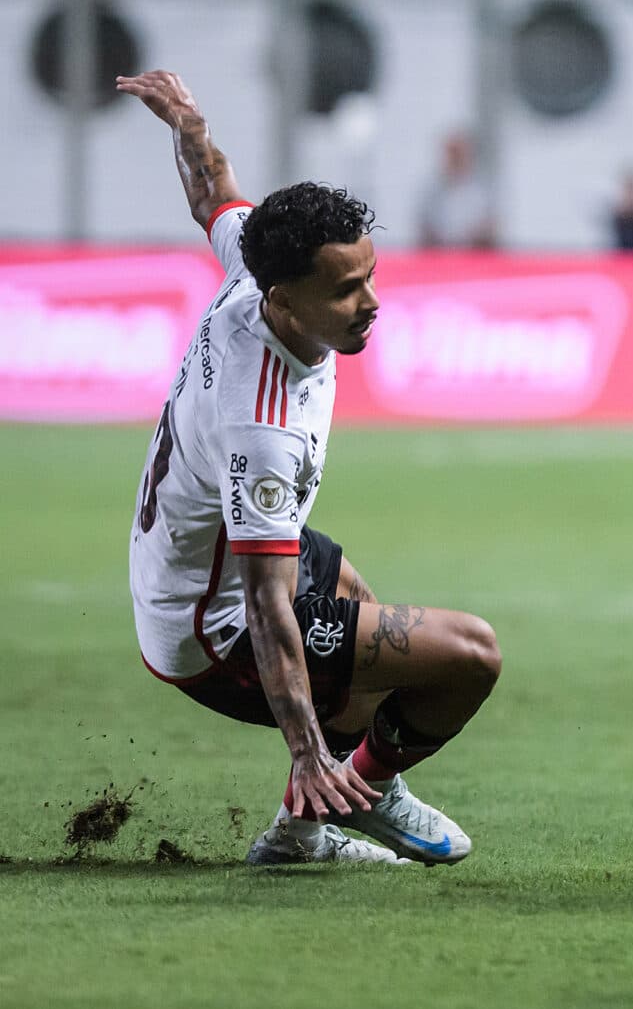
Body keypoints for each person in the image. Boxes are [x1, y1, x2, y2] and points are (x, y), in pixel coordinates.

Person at [119, 70, 502, 867]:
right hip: (211, 625)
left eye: (370, 275)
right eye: (346, 290)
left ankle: (301, 834)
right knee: (469, 656)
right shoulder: (264, 423)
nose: (371, 301)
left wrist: (188, 126)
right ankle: (364, 791)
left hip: (194, 561)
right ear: (287, 300)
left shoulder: (253, 265)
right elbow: (266, 607)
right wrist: (304, 750)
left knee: (360, 608)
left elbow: (212, 191)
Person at [418, 131, 496, 249]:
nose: (456, 159)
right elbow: (425, 225)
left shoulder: (482, 191)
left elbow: (491, 225)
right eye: (452, 154)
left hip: (475, 254)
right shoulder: (432, 192)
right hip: (439, 253)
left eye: (459, 154)